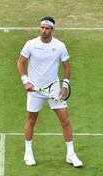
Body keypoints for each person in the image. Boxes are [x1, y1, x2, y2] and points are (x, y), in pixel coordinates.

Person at [17, 16, 83, 167]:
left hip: (54, 89)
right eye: (41, 27)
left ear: (52, 29)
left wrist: (65, 86)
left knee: (65, 121)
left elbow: (66, 66)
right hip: (34, 90)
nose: (43, 31)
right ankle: (28, 153)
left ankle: (71, 155)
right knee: (31, 120)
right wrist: (26, 81)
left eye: (47, 28)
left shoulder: (60, 46)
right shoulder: (31, 44)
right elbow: (20, 62)